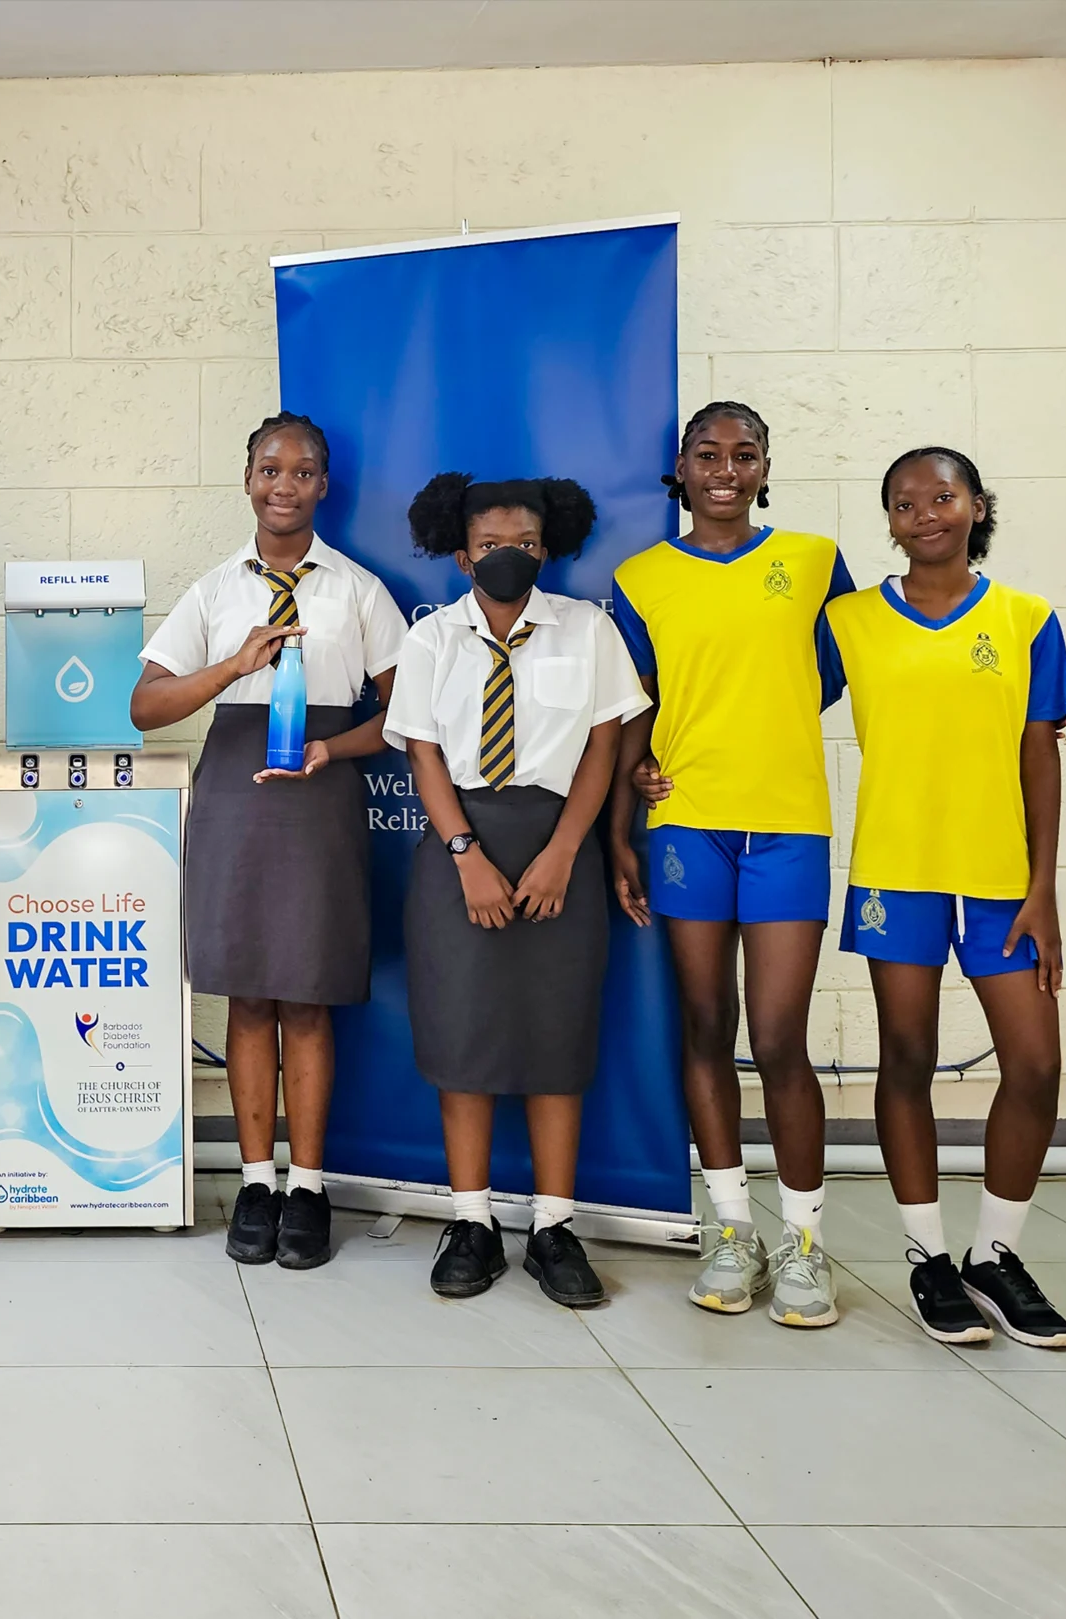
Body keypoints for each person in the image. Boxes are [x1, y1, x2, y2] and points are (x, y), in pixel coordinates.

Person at [131, 413, 406, 1269]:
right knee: (249, 992)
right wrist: (234, 666)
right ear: (246, 478)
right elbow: (146, 708)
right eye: (269, 469)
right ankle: (257, 1179)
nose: (284, 485)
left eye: (303, 471)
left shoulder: (358, 590)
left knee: (308, 994)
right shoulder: (215, 591)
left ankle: (310, 1186)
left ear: (325, 485)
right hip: (235, 797)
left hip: (319, 803)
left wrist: (334, 745)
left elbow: (406, 716)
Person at [607, 402, 856, 1328]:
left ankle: (802, 1241)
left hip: (789, 820)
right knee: (707, 1026)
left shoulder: (815, 561)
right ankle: (729, 1229)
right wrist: (629, 802)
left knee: (781, 1036)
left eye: (742, 453)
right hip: (687, 824)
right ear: (680, 465)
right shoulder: (642, 577)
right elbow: (635, 705)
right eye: (706, 453)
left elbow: (839, 668)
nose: (724, 467)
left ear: (763, 465)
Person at [823, 447, 1066, 1350]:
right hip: (898, 870)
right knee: (907, 1057)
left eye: (943, 494)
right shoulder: (849, 620)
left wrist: (1043, 889)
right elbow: (767, 702)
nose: (925, 511)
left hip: (1002, 880)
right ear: (887, 521)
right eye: (905, 502)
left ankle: (996, 1255)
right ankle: (928, 1255)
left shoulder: (1026, 618)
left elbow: (1038, 755)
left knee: (1036, 1064)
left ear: (976, 505)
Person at [388, 474, 647, 1309]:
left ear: (549, 548)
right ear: (461, 551)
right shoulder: (432, 641)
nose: (510, 555)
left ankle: (553, 1226)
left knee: (556, 1035)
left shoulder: (588, 629)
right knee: (462, 1033)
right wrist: (464, 852)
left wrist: (564, 852)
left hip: (555, 845)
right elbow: (423, 751)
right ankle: (471, 1221)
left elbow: (604, 747)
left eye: (527, 544)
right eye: (492, 543)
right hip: (459, 846)